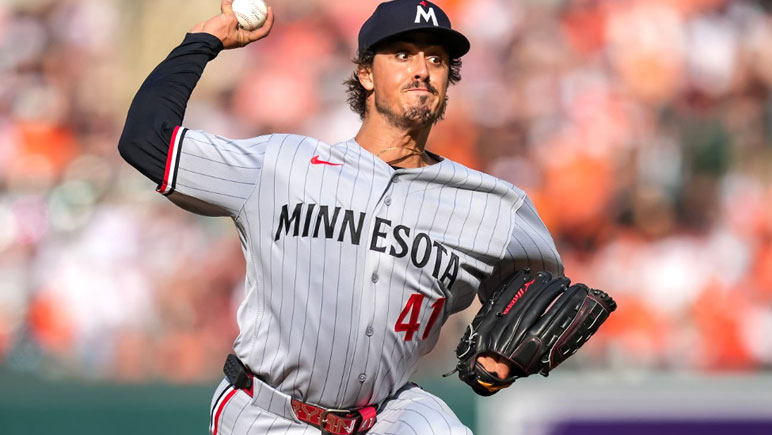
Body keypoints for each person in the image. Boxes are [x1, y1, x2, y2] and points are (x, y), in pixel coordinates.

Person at [118, 1, 563, 433]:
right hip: (265, 411)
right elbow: (145, 140)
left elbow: (548, 297)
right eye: (402, 54)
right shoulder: (281, 164)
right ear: (365, 74)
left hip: (384, 413)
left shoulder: (492, 206)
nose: (422, 69)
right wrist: (203, 41)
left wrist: (505, 352)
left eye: (436, 59)